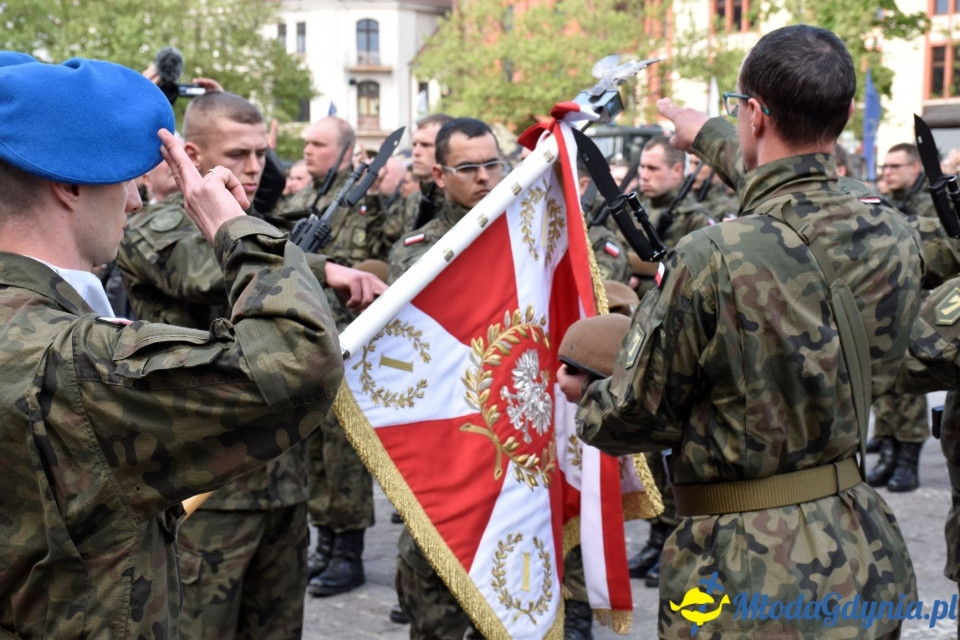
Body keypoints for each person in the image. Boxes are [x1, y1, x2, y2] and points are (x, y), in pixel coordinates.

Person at [561, 25, 921, 638]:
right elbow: (786, 177)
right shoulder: (888, 226)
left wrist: (587, 395)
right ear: (846, 113)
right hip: (860, 545)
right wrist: (702, 129)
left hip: (743, 567)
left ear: (754, 113)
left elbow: (632, 418)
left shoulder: (713, 255)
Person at [0, 54, 344, 638]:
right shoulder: (73, 358)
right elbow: (300, 355)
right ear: (70, 183)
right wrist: (235, 230)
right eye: (125, 178)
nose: (135, 200)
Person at [116, 90, 382, 639]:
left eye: (262, 153)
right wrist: (323, 267)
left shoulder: (264, 232)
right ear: (190, 153)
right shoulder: (154, 226)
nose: (255, 167)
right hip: (204, 492)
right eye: (238, 154)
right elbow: (203, 272)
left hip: (282, 482)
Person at [389, 117, 506, 639]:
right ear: (439, 174)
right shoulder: (418, 251)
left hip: (511, 452)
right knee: (434, 606)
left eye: (493, 164)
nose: (484, 177)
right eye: (468, 167)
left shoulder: (526, 240)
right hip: (446, 443)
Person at [278, 114, 386, 598]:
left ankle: (350, 551)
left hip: (352, 345)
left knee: (345, 454)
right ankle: (325, 543)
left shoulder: (368, 206)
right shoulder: (299, 203)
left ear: (344, 150)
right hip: (306, 344)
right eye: (305, 143)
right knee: (316, 452)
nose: (307, 150)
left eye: (317, 143)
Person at [866, 142, 936, 493]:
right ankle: (890, 451)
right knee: (887, 387)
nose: (887, 172)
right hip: (891, 304)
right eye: (884, 167)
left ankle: (908, 458)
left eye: (895, 166)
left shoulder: (931, 203)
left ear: (915, 168)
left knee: (910, 387)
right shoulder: (895, 201)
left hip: (922, 307)